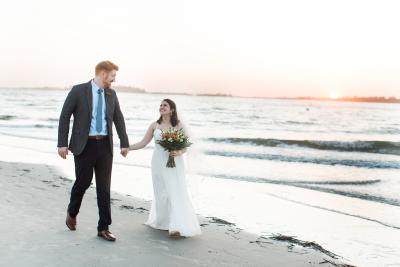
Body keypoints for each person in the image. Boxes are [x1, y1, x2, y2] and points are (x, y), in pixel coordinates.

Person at [57, 60, 129, 241]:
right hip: (84, 145)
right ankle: (72, 212)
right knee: (83, 181)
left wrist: (124, 142)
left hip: (105, 146)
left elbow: (118, 119)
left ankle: (103, 227)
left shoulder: (111, 94)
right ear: (103, 74)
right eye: (112, 76)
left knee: (104, 187)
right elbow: (65, 116)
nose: (114, 80)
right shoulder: (78, 90)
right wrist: (62, 143)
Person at [128, 99, 201, 238]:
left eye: (165, 105)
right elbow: (143, 143)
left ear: (172, 109)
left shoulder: (179, 125)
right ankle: (164, 222)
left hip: (174, 161)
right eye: (160, 105)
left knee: (174, 190)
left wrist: (178, 152)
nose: (161, 107)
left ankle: (176, 226)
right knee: (161, 191)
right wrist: (128, 148)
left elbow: (186, 145)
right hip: (157, 162)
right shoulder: (154, 125)